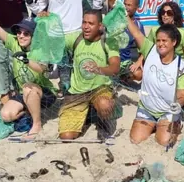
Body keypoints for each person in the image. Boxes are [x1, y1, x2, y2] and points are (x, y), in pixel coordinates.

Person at [31, 10, 120, 140]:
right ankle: (87, 116)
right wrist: (47, 20)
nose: (86, 26)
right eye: (84, 22)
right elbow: (54, 39)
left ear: (100, 26)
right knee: (66, 137)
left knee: (104, 105)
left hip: (100, 89)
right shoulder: (76, 38)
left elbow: (115, 67)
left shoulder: (109, 41)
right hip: (77, 93)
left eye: (91, 23)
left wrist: (99, 69)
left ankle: (102, 123)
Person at [0, 0, 55, 139]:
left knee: (29, 87)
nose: (21, 36)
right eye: (19, 32)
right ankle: (28, 111)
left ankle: (37, 123)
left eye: (26, 33)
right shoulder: (14, 42)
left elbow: (42, 69)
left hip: (45, 93)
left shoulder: (41, 49)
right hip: (23, 93)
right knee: (6, 115)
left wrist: (26, 60)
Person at [126, 19, 184, 146]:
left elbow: (182, 94)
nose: (160, 44)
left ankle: (175, 124)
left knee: (164, 141)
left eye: (164, 41)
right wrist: (125, 15)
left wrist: (178, 104)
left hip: (167, 111)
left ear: (174, 42)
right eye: (158, 40)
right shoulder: (150, 50)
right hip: (147, 107)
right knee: (136, 139)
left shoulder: (182, 68)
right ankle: (153, 125)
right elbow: (137, 33)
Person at [107, 0, 144, 77]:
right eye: (125, 4)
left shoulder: (138, 26)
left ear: (136, 8)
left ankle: (122, 79)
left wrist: (139, 62)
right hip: (109, 60)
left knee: (139, 74)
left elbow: (143, 48)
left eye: (129, 5)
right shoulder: (116, 13)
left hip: (124, 63)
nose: (126, 7)